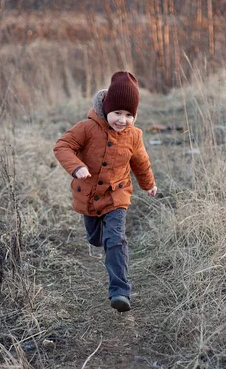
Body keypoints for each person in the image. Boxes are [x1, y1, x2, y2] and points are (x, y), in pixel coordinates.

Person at [53, 71, 157, 312]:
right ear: (106, 108)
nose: (122, 120)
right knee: (95, 238)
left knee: (116, 240)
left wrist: (148, 184)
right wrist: (77, 166)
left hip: (117, 196)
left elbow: (141, 162)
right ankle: (99, 236)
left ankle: (120, 292)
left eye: (129, 115)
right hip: (88, 196)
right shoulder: (88, 128)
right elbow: (62, 145)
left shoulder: (134, 136)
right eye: (117, 113)